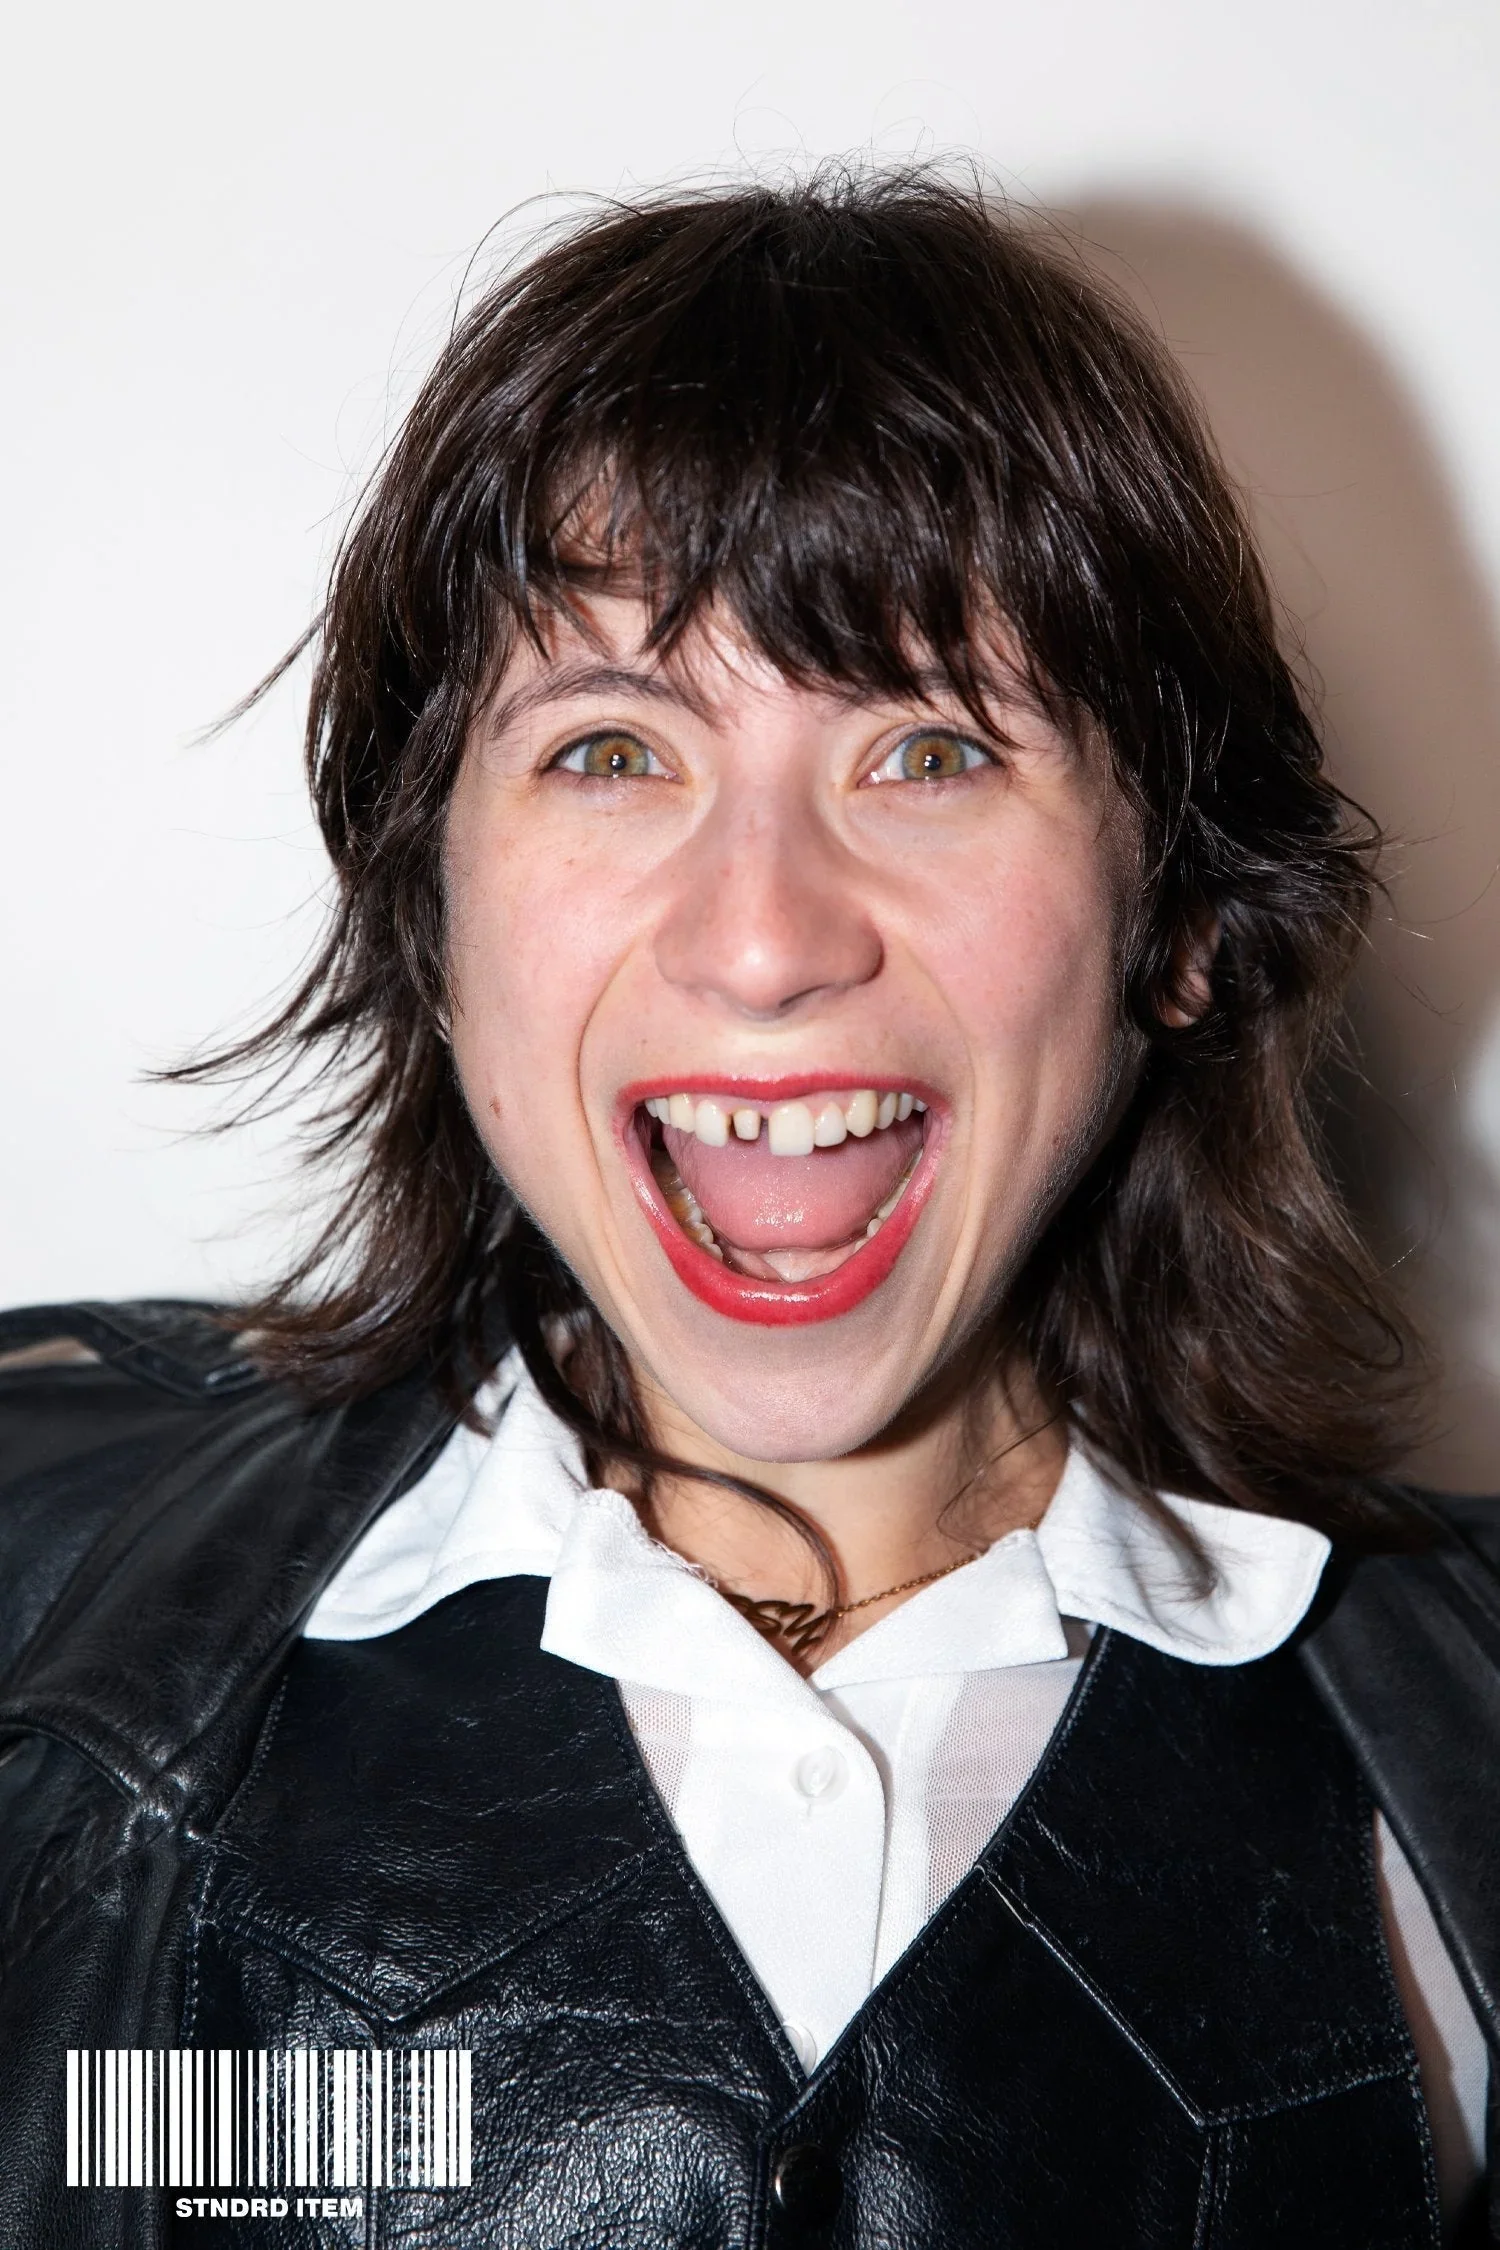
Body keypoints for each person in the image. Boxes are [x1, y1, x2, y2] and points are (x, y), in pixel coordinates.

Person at [1, 166, 1496, 2250]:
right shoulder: (36, 1609)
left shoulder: (1460, 1757)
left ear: (1173, 918)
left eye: (932, 752)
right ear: (437, 914)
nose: (768, 936)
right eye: (612, 753)